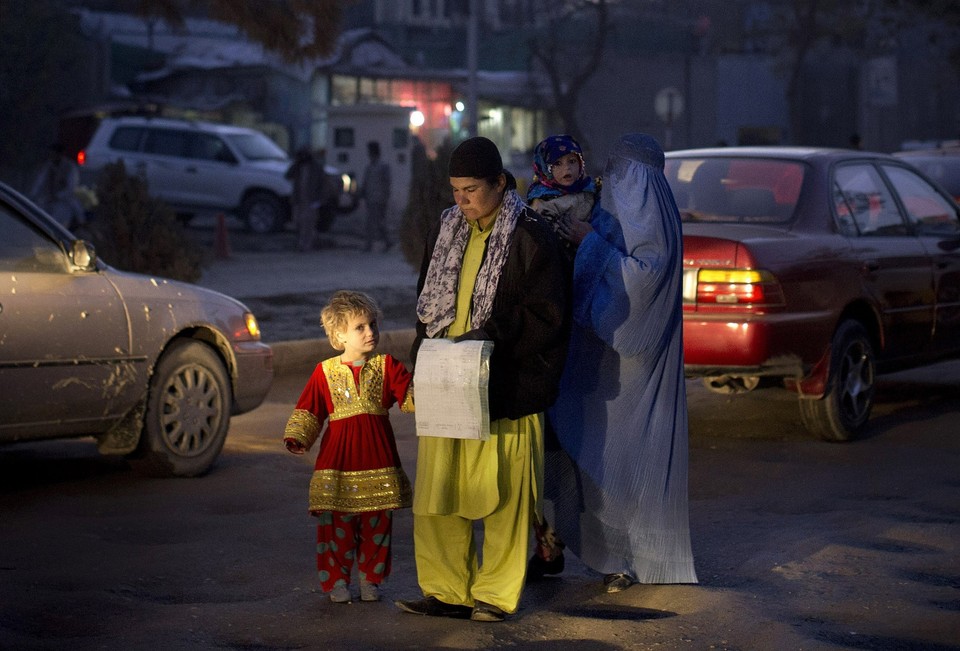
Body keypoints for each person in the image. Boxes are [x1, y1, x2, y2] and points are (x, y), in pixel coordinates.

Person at [394, 136, 569, 622]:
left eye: (472, 190)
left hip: (505, 387)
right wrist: (423, 364)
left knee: (503, 496)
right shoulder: (446, 228)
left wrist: (486, 342)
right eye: (455, 190)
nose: (462, 200)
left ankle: (494, 593)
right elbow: (426, 308)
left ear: (499, 183)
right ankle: (447, 591)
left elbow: (548, 317)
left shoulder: (531, 234)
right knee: (437, 495)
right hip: (446, 382)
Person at [544, 133, 698, 593]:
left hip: (635, 373)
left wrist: (591, 244)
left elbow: (644, 281)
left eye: (619, 173)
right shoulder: (619, 211)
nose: (610, 181)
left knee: (626, 460)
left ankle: (627, 560)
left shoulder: (650, 215)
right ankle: (585, 551)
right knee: (588, 452)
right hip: (603, 369)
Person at [283, 290, 415, 604]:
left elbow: (409, 395)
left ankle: (371, 580)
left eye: (373, 325)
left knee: (377, 522)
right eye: (360, 327)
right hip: (336, 463)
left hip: (378, 461)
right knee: (335, 526)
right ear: (339, 334)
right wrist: (298, 437)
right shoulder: (324, 372)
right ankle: (336, 582)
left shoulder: (388, 366)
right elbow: (309, 409)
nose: (370, 332)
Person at [526, 134, 601, 262]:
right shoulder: (544, 201)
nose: (567, 168)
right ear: (545, 168)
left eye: (572, 161)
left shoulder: (592, 189)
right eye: (558, 163)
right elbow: (542, 243)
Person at [285, 147, 336, 252]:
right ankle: (302, 244)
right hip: (299, 200)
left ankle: (306, 245)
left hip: (311, 201)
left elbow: (323, 184)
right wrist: (296, 164)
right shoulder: (298, 168)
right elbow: (287, 175)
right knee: (298, 222)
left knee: (308, 224)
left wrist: (320, 199)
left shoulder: (316, 168)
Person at [30, 142, 84, 229]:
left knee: (64, 219)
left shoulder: (70, 167)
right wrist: (32, 196)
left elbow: (71, 188)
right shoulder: (48, 166)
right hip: (48, 200)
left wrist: (57, 196)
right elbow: (39, 183)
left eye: (54, 153)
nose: (52, 156)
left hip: (65, 202)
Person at [359, 141, 392, 252]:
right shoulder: (370, 167)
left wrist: (385, 197)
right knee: (373, 222)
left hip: (379, 199)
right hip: (372, 198)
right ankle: (382, 242)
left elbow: (386, 183)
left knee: (377, 222)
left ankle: (381, 242)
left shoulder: (382, 167)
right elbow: (365, 183)